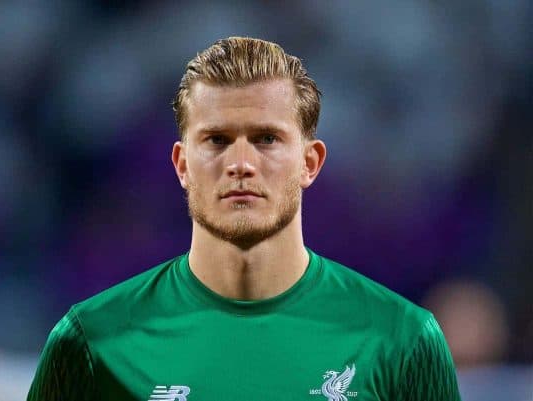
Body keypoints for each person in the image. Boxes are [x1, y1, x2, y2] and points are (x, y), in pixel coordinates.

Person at [27, 37, 461, 401]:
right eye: (216, 140)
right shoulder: (91, 342)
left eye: (266, 139)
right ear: (181, 164)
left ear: (311, 162)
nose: (241, 163)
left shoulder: (402, 341)